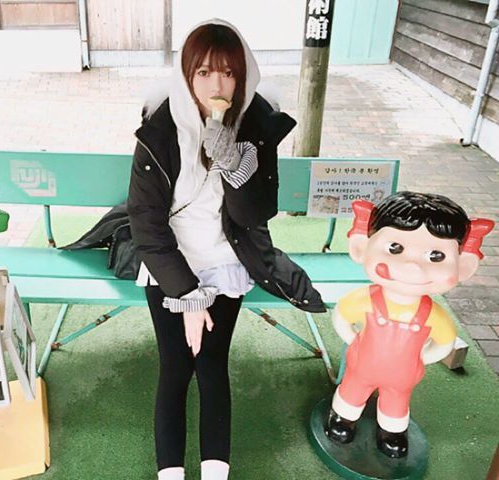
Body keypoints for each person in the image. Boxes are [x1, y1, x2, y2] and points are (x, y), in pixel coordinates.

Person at [127, 19, 325, 480]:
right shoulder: (160, 128)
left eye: (228, 73)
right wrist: (188, 296)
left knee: (212, 365)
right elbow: (147, 223)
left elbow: (256, 213)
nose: (217, 86)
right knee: (175, 367)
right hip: (168, 262)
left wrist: (235, 163)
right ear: (186, 75)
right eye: (203, 72)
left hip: (228, 259)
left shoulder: (255, 126)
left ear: (243, 76)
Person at [325, 192, 493, 458]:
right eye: (395, 248)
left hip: (403, 375)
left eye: (436, 256)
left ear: (463, 265)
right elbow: (342, 317)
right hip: (362, 364)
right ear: (362, 247)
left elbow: (445, 343)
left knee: (396, 401)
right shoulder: (365, 300)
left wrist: (421, 358)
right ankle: (343, 418)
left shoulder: (432, 314)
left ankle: (392, 431)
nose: (412, 266)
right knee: (352, 390)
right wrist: (354, 340)